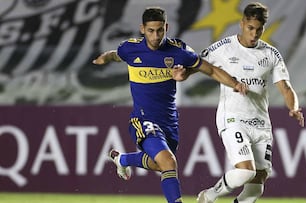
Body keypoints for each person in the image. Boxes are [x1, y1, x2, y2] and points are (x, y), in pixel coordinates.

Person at [92, 7, 247, 203]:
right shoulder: (130, 49)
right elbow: (117, 54)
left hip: (169, 123)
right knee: (169, 162)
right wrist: (104, 58)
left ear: (166, 27)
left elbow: (210, 69)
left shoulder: (179, 52)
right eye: (151, 31)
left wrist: (235, 84)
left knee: (160, 164)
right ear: (142, 29)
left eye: (159, 30)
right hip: (142, 119)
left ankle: (121, 159)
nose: (155, 36)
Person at [173, 2, 304, 203]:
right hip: (233, 118)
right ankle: (208, 196)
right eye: (250, 28)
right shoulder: (223, 48)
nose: (254, 34)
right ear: (242, 24)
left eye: (259, 29)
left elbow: (285, 87)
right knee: (245, 172)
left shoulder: (271, 54)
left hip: (261, 123)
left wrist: (293, 107)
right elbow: (199, 65)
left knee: (255, 188)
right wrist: (184, 74)